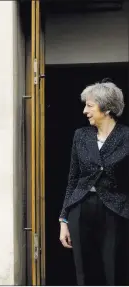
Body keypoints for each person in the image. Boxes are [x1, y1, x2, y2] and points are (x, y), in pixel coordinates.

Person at [59, 81, 129, 286]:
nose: (84, 111)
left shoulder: (126, 137)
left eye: (89, 106)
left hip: (115, 210)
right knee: (84, 272)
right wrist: (64, 218)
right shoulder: (81, 136)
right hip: (81, 208)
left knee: (114, 269)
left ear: (106, 108)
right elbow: (72, 179)